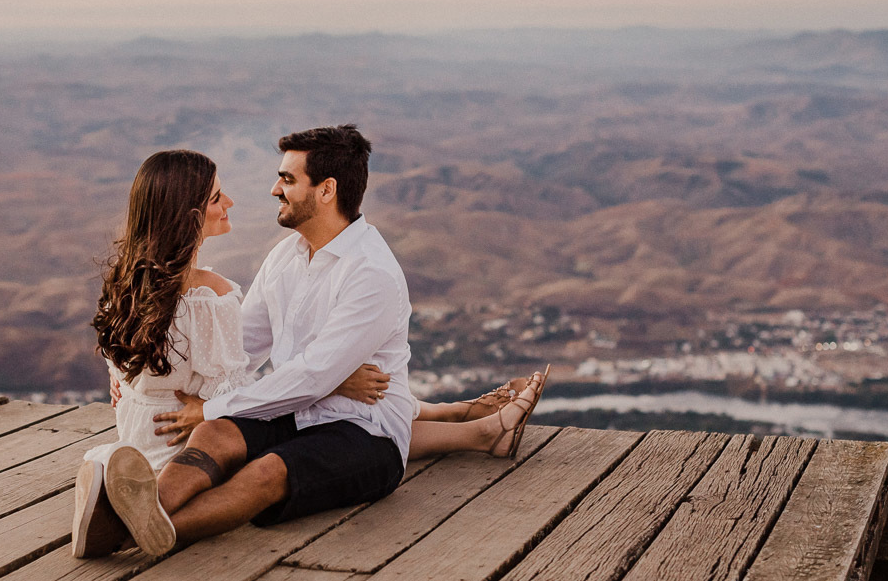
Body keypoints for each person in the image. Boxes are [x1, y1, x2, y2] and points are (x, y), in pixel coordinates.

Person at [72, 128, 548, 558]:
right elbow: (246, 345)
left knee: (265, 472)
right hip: (301, 413)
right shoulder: (288, 255)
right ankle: (145, 508)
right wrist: (152, 382)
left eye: (287, 179)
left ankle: (127, 534)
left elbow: (312, 376)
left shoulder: (370, 274)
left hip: (366, 435)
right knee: (214, 435)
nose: (274, 189)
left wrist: (217, 405)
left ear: (326, 190)